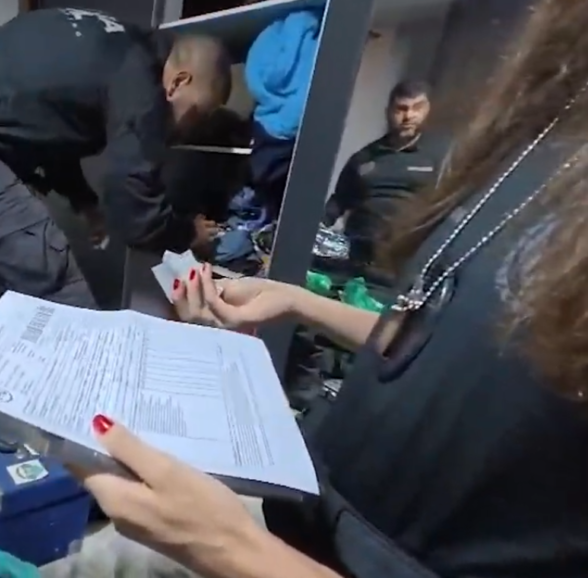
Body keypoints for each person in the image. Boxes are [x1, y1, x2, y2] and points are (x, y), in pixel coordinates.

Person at [72, 0, 588, 576]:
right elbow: (429, 336)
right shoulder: (534, 148)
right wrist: (298, 302)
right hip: (303, 510)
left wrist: (228, 546)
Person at [0, 8, 229, 308]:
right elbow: (134, 210)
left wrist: (85, 203)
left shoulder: (123, 49)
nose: (193, 129)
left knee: (28, 289)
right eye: (198, 115)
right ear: (178, 82)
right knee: (66, 299)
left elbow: (52, 132)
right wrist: (187, 233)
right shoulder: (141, 83)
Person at [324, 80, 443, 271]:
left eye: (417, 108)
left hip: (405, 256)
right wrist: (308, 230)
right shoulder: (363, 158)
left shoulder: (440, 157)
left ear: (428, 110)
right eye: (401, 109)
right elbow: (338, 203)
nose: (408, 116)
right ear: (388, 112)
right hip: (358, 253)